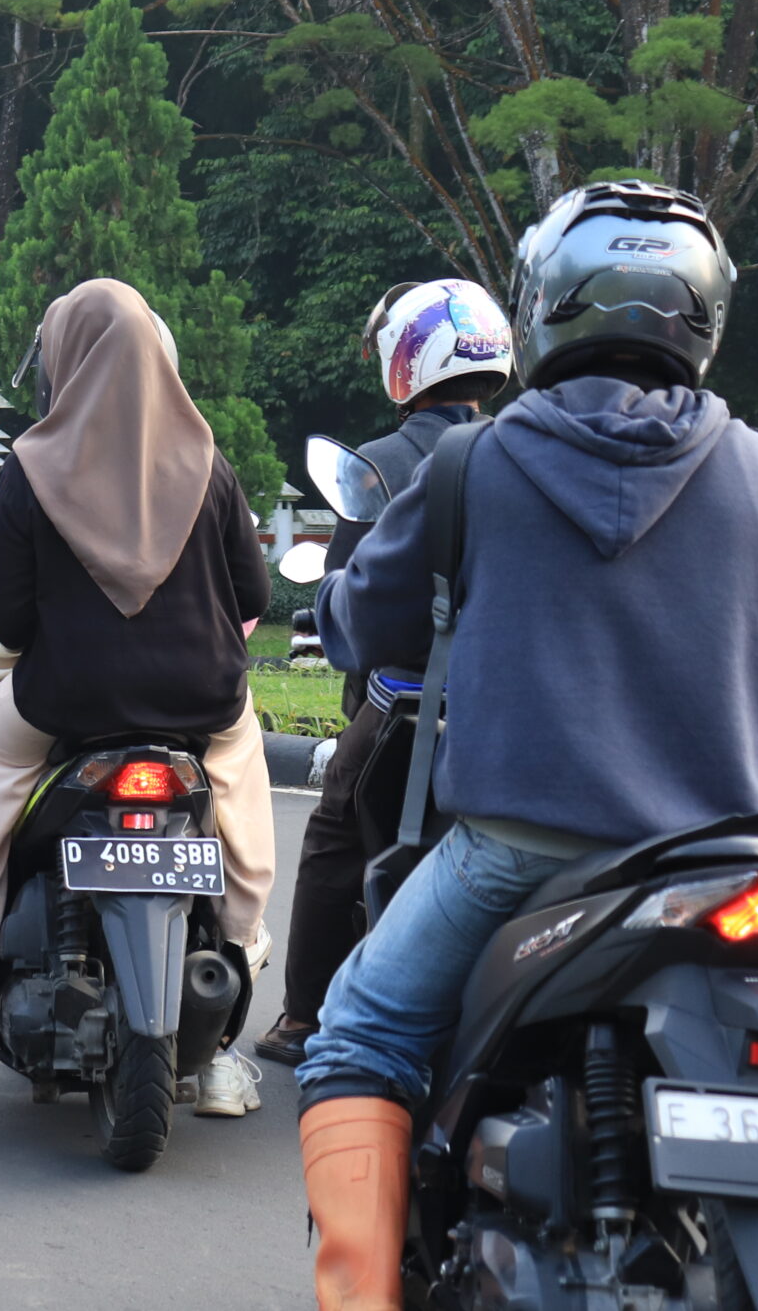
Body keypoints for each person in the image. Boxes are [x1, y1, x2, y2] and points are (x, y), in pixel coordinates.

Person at [296, 182, 758, 1309]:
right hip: (751, 857)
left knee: (355, 1034)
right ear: (703, 313)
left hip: (521, 848)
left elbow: (365, 621)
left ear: (545, 304)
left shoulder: (475, 464)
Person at [0, 279, 277, 1119]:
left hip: (67, 702)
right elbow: (253, 590)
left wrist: (8, 658)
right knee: (237, 792)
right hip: (203, 698)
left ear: (65, 361)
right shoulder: (208, 458)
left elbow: (7, 616)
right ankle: (228, 1037)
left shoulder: (32, 466)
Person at [251, 279, 513, 1066]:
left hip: (405, 702)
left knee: (333, 832)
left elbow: (353, 598)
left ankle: (303, 1016)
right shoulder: (522, 451)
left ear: (407, 360)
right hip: (510, 707)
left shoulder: (383, 463)